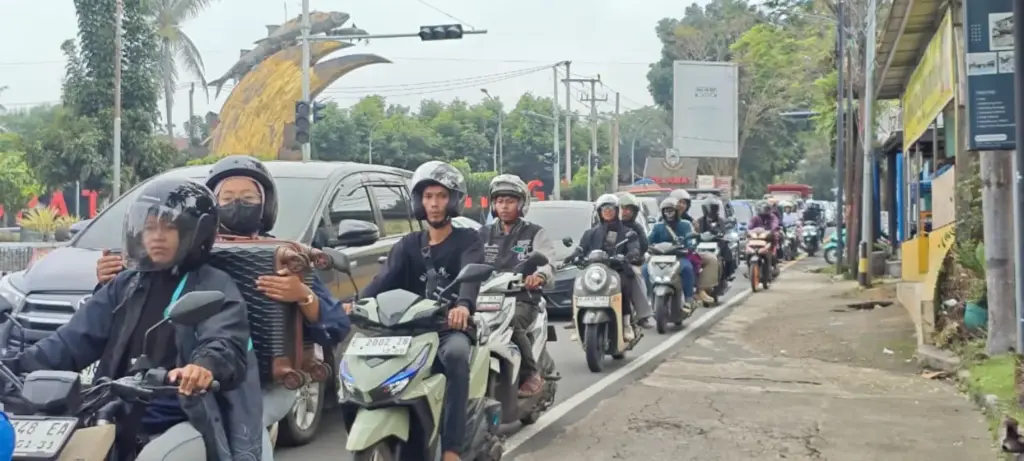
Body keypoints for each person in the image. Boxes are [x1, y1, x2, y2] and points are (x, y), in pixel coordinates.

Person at [95, 155, 349, 460]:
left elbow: (336, 326)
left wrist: (303, 295)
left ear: (265, 204)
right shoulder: (186, 249)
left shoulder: (286, 258)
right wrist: (110, 280)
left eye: (248, 197)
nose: (237, 204)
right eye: (227, 197)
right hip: (189, 383)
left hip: (262, 385)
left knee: (247, 435)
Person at [5, 177, 264, 461]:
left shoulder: (214, 285)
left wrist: (201, 368)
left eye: (169, 227)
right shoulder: (127, 284)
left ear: (196, 232)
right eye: (150, 227)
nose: (156, 236)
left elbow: (223, 341)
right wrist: (13, 368)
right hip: (112, 408)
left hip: (180, 412)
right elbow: (72, 340)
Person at [360, 161, 484, 461]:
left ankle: (452, 448)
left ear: (453, 200)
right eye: (428, 196)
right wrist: (357, 303)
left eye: (441, 196)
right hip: (407, 329)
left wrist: (463, 307)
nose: (434, 204)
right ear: (419, 201)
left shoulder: (468, 240)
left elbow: (471, 280)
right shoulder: (408, 245)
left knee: (455, 356)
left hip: (448, 328)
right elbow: (382, 281)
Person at [479, 174, 556, 397]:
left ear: (521, 204)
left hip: (522, 299)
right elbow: (466, 261)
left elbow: (548, 262)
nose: (504, 206)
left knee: (509, 322)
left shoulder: (534, 233)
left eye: (510, 201)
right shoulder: (482, 234)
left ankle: (532, 373)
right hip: (485, 299)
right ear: (493, 204)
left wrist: (539, 276)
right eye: (500, 201)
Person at [577, 194, 642, 341]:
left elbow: (634, 248)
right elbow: (581, 249)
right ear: (599, 212)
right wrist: (574, 256)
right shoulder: (591, 233)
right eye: (604, 209)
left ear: (617, 210)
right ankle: (575, 321)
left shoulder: (626, 232)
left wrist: (630, 255)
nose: (607, 211)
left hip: (617, 270)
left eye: (610, 208)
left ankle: (626, 324)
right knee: (577, 285)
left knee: (624, 286)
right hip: (595, 271)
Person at [645, 198, 697, 309]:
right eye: (666, 211)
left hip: (678, 257)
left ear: (677, 211)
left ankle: (689, 298)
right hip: (658, 258)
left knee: (687, 268)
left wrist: (689, 246)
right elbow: (648, 241)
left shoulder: (685, 224)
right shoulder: (658, 226)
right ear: (662, 212)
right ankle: (648, 296)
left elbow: (690, 239)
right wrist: (645, 246)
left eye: (671, 210)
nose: (669, 213)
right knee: (645, 269)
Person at [671, 191, 717, 304]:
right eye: (678, 202)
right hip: (666, 254)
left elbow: (696, 238)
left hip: (686, 252)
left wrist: (695, 235)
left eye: (684, 203)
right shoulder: (662, 218)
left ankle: (700, 289)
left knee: (711, 259)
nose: (681, 205)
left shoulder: (690, 221)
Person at [617, 193, 654, 328]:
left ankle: (643, 315)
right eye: (622, 208)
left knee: (637, 276)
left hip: (630, 262)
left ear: (634, 212)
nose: (625, 212)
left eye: (628, 209)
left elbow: (644, 245)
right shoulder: (609, 225)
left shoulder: (636, 227)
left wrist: (635, 256)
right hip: (610, 262)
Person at [697, 197, 736, 280]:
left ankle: (728, 274)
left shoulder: (720, 220)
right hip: (702, 243)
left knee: (728, 253)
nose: (711, 211)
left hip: (717, 242)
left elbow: (723, 231)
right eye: (709, 208)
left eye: (713, 208)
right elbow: (697, 231)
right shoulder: (700, 220)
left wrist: (720, 234)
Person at [747, 200, 782, 269]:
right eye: (761, 208)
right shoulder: (755, 218)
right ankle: (749, 265)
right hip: (757, 237)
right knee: (747, 245)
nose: (763, 210)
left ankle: (774, 259)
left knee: (775, 239)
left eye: (765, 209)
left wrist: (773, 230)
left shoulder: (772, 217)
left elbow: (775, 224)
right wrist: (748, 231)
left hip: (768, 236)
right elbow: (750, 226)